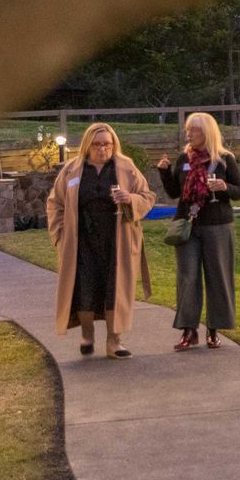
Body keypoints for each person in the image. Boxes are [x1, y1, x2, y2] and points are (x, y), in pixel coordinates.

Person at [47, 122, 154, 358]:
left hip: (117, 240)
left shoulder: (126, 167)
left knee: (114, 288)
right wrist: (59, 235)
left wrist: (130, 199)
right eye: (96, 144)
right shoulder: (72, 170)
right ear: (87, 145)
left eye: (107, 143)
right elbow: (55, 203)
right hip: (81, 239)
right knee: (84, 287)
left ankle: (114, 341)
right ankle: (87, 335)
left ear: (114, 144)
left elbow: (148, 197)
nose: (102, 148)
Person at [157, 112, 240, 351]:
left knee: (218, 277)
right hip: (188, 225)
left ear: (206, 132)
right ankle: (189, 330)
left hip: (218, 225)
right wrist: (164, 172)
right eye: (187, 130)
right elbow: (175, 193)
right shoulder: (184, 158)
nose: (188, 134)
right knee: (188, 277)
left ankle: (214, 330)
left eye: (193, 130)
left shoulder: (225, 159)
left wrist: (224, 187)